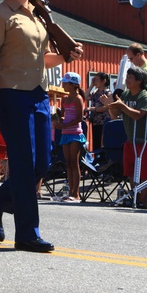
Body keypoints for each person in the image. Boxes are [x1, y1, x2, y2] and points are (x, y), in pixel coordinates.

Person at [0, 0, 83, 252]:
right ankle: (27, 233)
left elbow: (41, 58)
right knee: (24, 166)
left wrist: (66, 55)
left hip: (38, 93)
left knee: (41, 162)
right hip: (11, 94)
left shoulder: (37, 17)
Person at [108, 66, 147, 207]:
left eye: (130, 77)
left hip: (145, 139)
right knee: (130, 169)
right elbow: (115, 114)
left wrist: (122, 106)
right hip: (131, 139)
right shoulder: (126, 94)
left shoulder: (144, 96)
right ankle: (135, 195)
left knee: (145, 171)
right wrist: (110, 105)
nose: (127, 80)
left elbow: (138, 115)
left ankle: (142, 199)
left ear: (139, 81)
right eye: (127, 77)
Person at [54, 72, 86, 202]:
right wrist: (59, 122)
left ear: (73, 85)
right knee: (68, 163)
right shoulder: (64, 99)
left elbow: (79, 118)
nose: (63, 85)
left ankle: (76, 193)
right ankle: (70, 192)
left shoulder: (78, 98)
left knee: (74, 162)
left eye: (65, 83)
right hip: (65, 133)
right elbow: (63, 115)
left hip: (75, 133)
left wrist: (65, 125)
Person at [86, 71, 111, 150]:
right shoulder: (95, 93)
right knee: (96, 143)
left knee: (103, 143)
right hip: (96, 121)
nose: (95, 81)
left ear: (104, 81)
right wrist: (91, 85)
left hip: (104, 121)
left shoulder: (108, 93)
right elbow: (86, 96)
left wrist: (94, 109)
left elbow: (107, 107)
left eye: (97, 80)